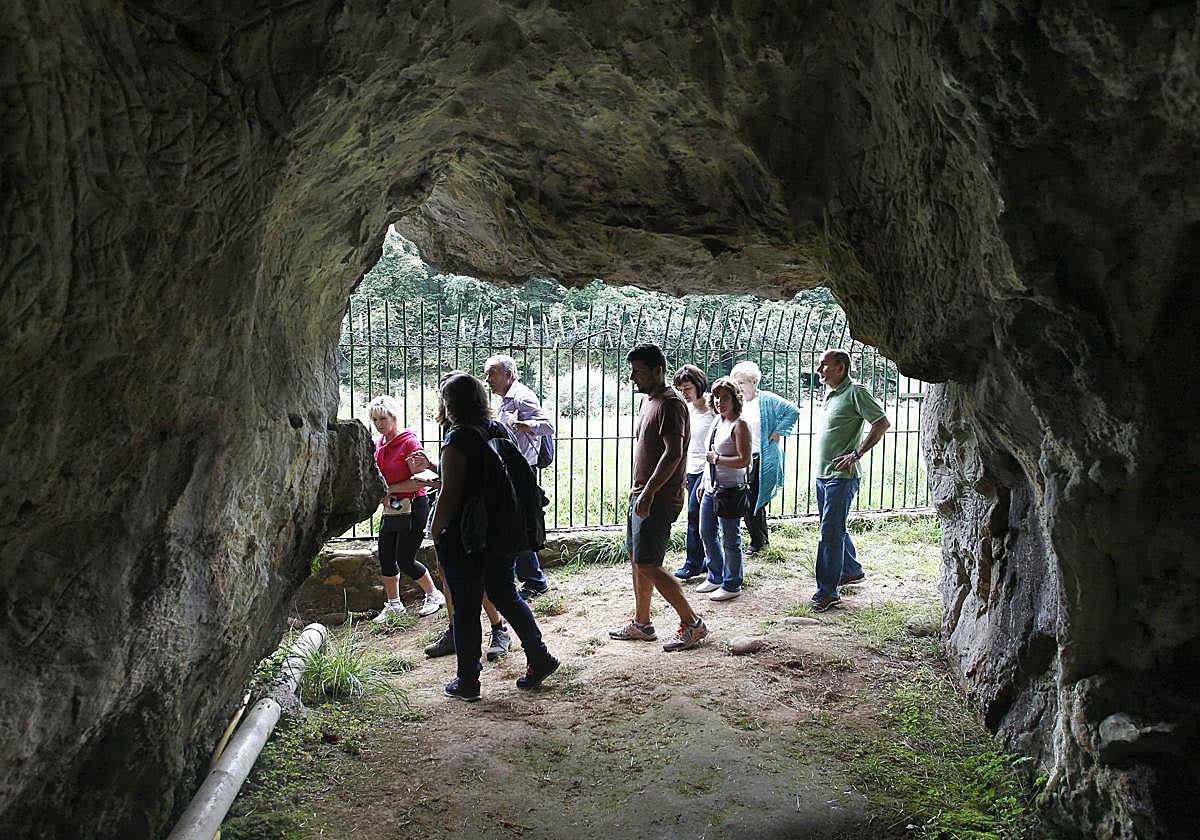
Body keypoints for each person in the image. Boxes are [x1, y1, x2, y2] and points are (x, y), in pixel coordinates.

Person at [430, 373, 559, 701]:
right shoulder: (497, 428)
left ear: (450, 404)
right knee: (506, 595)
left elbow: (450, 494)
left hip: (467, 535)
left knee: (465, 607)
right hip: (501, 530)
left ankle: (468, 681)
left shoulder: (457, 438)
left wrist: (435, 531)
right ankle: (539, 655)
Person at [609, 344, 708, 652]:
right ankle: (642, 624)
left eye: (637, 371)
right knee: (638, 560)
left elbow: (674, 452)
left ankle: (692, 623)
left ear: (657, 370)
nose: (632, 377)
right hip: (642, 493)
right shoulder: (650, 402)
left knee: (649, 563)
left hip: (658, 497)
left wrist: (650, 492)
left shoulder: (671, 405)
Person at [423, 371, 516, 663]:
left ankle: (494, 635)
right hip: (487, 520)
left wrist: (436, 529)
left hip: (469, 524)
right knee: (462, 583)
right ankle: (458, 633)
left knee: (476, 587)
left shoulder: (464, 434)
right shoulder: (477, 430)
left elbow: (453, 489)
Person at [810, 349, 891, 612]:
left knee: (829, 533)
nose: (819, 370)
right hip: (824, 475)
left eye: (824, 366)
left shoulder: (856, 391)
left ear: (840, 368)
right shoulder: (831, 392)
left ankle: (827, 592)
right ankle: (850, 569)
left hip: (840, 478)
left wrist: (856, 454)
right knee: (833, 527)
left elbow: (881, 423)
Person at [367, 396, 445, 622]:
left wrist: (389, 489)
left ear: (394, 417)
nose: (379, 424)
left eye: (383, 418)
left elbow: (421, 480)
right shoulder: (380, 443)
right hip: (392, 506)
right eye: (375, 420)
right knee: (386, 554)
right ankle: (394, 604)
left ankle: (433, 594)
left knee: (405, 558)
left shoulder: (408, 443)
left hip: (414, 505)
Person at [483, 354, 553, 599]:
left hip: (522, 469)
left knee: (519, 524)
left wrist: (524, 425)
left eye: (492, 373)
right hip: (512, 468)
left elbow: (548, 426)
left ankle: (533, 579)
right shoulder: (506, 398)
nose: (487, 379)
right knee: (515, 523)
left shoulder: (522, 396)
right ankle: (529, 578)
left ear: (508, 374)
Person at [728, 360, 801, 554]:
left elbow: (793, 411)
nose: (739, 387)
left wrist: (778, 431)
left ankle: (758, 542)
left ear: (754, 381)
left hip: (764, 457)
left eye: (741, 383)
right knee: (747, 500)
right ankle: (760, 539)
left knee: (755, 501)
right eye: (736, 383)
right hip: (744, 458)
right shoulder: (739, 403)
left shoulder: (767, 399)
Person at [694, 377, 753, 601]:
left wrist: (718, 459)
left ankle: (732, 583)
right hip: (711, 487)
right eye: (716, 396)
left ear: (735, 399)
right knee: (706, 532)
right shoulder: (718, 421)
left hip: (730, 490)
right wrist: (703, 482)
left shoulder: (740, 424)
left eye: (725, 397)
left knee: (730, 538)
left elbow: (744, 460)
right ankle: (715, 575)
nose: (720, 401)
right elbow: (709, 454)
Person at [671, 364, 714, 580]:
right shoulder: (685, 408)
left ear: (698, 385)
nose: (683, 393)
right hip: (690, 467)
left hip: (709, 469)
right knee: (698, 516)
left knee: (695, 515)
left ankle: (693, 563)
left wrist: (708, 473)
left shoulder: (713, 407)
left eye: (687, 389)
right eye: (680, 389)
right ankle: (705, 560)